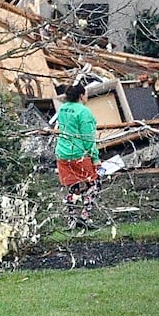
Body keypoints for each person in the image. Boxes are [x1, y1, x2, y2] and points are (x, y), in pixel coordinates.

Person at [53, 83, 100, 228]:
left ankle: (71, 219)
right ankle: (85, 217)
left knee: (73, 187)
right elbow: (88, 138)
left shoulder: (62, 109)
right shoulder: (84, 112)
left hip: (62, 153)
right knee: (94, 184)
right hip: (78, 154)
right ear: (81, 95)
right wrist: (95, 158)